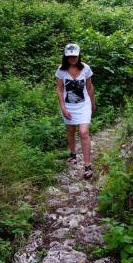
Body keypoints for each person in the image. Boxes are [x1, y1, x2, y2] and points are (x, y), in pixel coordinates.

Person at [55, 43, 96, 179]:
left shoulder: (86, 68)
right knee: (71, 131)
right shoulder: (61, 70)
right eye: (70, 56)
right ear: (66, 57)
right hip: (68, 106)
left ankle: (87, 165)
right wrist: (63, 107)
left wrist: (93, 103)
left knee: (84, 133)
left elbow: (89, 88)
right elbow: (60, 90)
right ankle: (73, 154)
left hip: (83, 104)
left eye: (75, 56)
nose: (73, 59)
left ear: (79, 55)